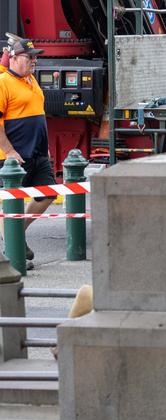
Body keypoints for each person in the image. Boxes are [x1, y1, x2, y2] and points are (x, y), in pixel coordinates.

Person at [0, 39, 56, 268]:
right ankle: (13, 250)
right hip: (14, 158)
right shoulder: (3, 82)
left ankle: (15, 237)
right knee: (11, 204)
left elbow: (37, 114)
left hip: (38, 153)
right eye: (29, 57)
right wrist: (9, 151)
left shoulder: (31, 80)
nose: (34, 60)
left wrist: (47, 148)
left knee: (48, 193)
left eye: (35, 57)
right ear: (13, 58)